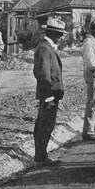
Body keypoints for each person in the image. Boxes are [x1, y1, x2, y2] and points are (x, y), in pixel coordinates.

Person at [32, 18, 67, 166]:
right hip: (49, 94)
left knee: (46, 124)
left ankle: (41, 155)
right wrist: (49, 97)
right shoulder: (45, 48)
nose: (61, 37)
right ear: (51, 33)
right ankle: (41, 158)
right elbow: (43, 75)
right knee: (45, 124)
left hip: (51, 93)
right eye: (59, 34)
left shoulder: (47, 47)